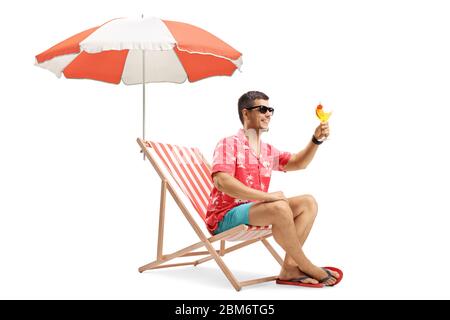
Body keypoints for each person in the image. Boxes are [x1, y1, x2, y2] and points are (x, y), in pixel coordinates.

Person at [205, 91, 341, 287]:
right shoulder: (228, 144)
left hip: (255, 211)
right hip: (224, 217)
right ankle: (306, 265)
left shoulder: (267, 150)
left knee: (307, 203)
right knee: (279, 207)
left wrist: (315, 140)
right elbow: (222, 182)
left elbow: (298, 163)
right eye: (263, 109)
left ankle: (289, 268)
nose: (269, 113)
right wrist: (267, 197)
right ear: (246, 113)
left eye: (270, 110)